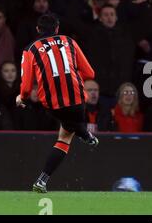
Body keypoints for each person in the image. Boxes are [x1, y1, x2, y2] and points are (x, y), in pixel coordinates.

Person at [16, 14, 98, 193]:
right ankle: (85, 134)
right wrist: (70, 78)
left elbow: (27, 86)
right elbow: (90, 73)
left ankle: (42, 180)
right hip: (77, 100)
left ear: (38, 30)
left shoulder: (30, 49)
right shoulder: (68, 41)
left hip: (52, 105)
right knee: (68, 132)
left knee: (65, 135)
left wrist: (21, 98)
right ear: (57, 28)